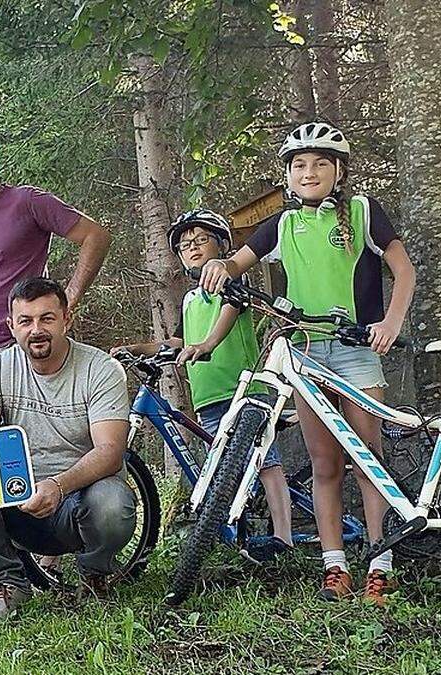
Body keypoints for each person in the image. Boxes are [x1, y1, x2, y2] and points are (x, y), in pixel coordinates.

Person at [199, 122, 416, 606]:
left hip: (358, 349)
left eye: (320, 163)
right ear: (289, 176)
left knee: (368, 460)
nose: (309, 171)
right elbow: (239, 260)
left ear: (338, 172)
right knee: (325, 465)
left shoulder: (361, 212)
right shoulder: (282, 223)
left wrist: (391, 322)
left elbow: (403, 268)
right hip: (305, 353)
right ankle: (334, 566)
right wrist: (221, 266)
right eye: (299, 165)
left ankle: (380, 564)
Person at [0, 125, 111, 567]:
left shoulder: (27, 202)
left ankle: (51, 551)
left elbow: (95, 236)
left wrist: (67, 298)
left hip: (29, 351)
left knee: (42, 448)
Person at [0, 277, 136, 623]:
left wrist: (57, 485)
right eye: (25, 321)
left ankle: (94, 575)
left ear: (67, 319)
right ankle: (8, 581)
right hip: (16, 500)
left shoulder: (101, 369)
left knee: (114, 503)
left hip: (78, 500)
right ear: (11, 326)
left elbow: (110, 451)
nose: (36, 330)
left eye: (47, 318)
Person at [113, 209, 293, 562]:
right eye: (184, 246)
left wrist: (207, 345)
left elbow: (230, 311)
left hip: (244, 393)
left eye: (200, 240)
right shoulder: (191, 300)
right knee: (225, 466)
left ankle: (283, 536)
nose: (192, 248)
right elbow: (179, 343)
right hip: (208, 399)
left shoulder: (230, 280)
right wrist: (137, 348)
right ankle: (235, 533)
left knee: (265, 462)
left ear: (222, 245)